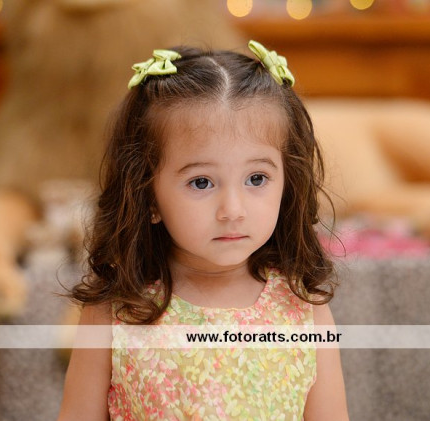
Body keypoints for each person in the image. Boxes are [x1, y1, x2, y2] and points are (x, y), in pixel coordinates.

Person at [58, 41, 348, 421]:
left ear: (288, 182)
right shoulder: (116, 309)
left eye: (256, 178)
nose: (233, 210)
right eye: (201, 183)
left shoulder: (302, 307)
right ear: (148, 196)